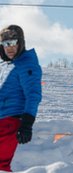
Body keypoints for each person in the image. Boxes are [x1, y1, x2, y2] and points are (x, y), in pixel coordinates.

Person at [0, 25, 42, 172]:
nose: (9, 47)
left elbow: (33, 95)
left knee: (1, 165)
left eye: (13, 42)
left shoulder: (26, 64)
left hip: (10, 122)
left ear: (20, 43)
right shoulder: (6, 65)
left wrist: (27, 123)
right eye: (5, 44)